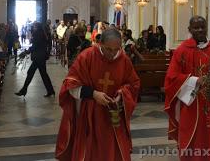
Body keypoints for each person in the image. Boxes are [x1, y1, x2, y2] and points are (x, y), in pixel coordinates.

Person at [55, 28, 140, 161]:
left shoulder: (123, 59)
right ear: (100, 44)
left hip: (113, 117)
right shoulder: (87, 56)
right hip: (89, 116)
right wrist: (93, 94)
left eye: (116, 49)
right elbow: (70, 85)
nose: (112, 54)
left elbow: (133, 84)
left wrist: (121, 95)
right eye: (108, 49)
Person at [164, 16, 210, 161]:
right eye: (196, 27)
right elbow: (172, 78)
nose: (200, 30)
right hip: (190, 105)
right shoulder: (182, 50)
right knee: (191, 138)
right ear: (190, 29)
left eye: (203, 26)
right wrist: (196, 80)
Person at [15, 22, 55, 97]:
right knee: (43, 74)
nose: (33, 27)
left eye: (34, 26)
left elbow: (35, 46)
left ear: (37, 27)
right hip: (41, 57)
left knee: (31, 72)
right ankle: (50, 90)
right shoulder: (42, 33)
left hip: (38, 57)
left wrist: (27, 51)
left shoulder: (38, 34)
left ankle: (24, 90)